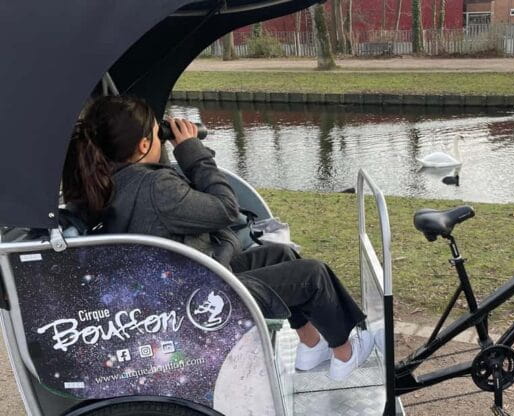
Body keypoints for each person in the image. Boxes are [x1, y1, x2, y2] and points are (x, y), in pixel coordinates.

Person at [61, 96, 373, 381]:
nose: (163, 139)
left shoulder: (109, 183)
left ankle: (311, 346)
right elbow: (226, 209)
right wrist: (191, 152)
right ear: (144, 146)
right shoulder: (157, 189)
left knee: (281, 256)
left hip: (176, 287)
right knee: (312, 275)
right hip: (194, 300)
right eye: (159, 134)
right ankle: (345, 355)